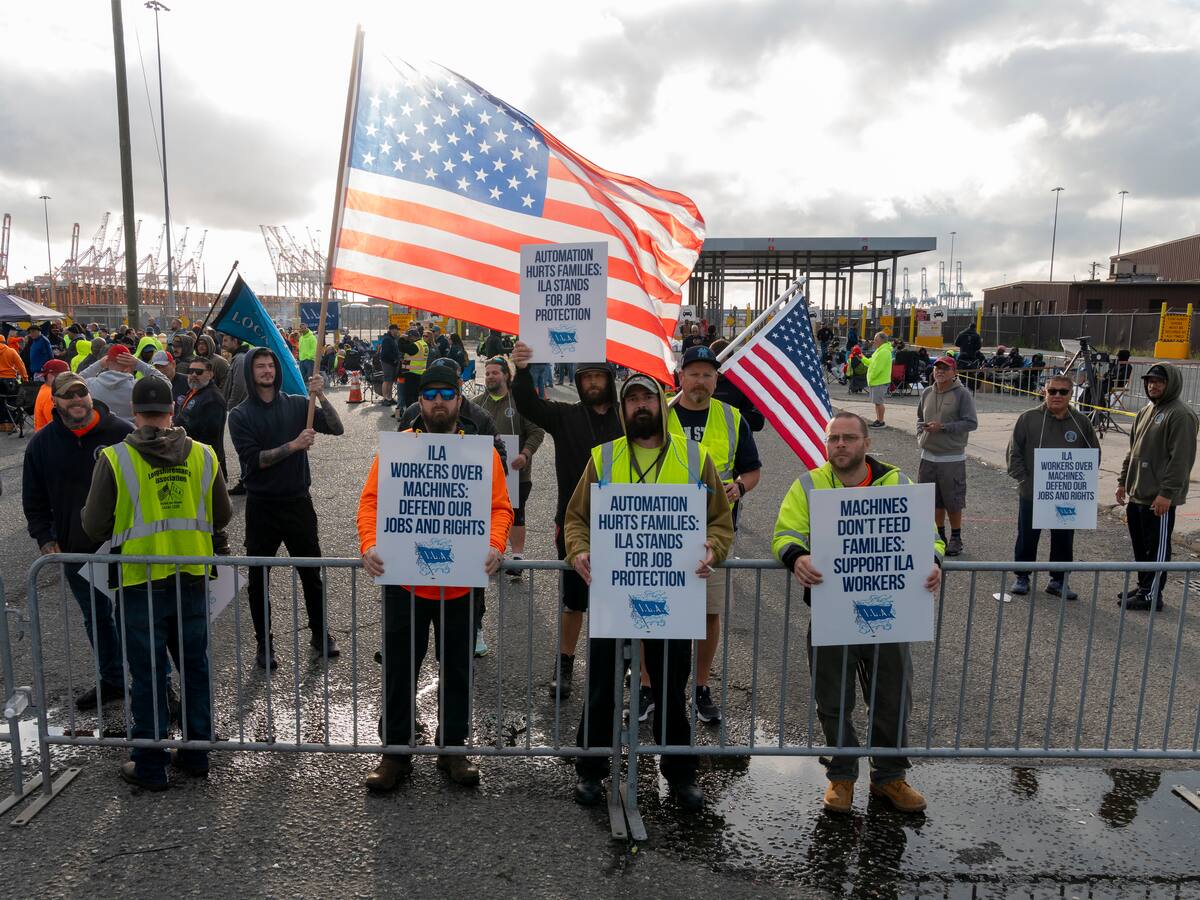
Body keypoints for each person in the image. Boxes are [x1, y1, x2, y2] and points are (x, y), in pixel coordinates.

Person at [565, 374, 733, 811]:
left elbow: (719, 520)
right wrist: (579, 550)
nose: (640, 405)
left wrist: (713, 548)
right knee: (601, 684)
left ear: (660, 403)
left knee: (671, 686)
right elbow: (576, 518)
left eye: (647, 398)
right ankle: (590, 769)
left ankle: (679, 773)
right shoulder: (603, 458)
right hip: (612, 591)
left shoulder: (696, 458)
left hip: (672, 594)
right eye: (631, 400)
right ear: (622, 410)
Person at [772, 411, 942, 815]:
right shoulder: (809, 484)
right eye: (834, 439)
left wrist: (934, 561)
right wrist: (796, 557)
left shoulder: (896, 482)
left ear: (867, 443)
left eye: (849, 438)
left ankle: (890, 778)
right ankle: (842, 777)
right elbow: (785, 533)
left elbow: (928, 535)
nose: (841, 446)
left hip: (891, 613)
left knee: (892, 699)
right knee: (834, 700)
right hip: (833, 612)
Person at [357, 367, 512, 790]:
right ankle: (395, 752)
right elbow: (371, 502)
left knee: (458, 667)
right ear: (420, 403)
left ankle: (453, 749)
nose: (439, 401)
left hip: (461, 583)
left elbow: (501, 508)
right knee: (399, 668)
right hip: (405, 582)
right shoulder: (397, 449)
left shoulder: (481, 453)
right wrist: (369, 544)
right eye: (431, 395)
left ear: (460, 401)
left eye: (447, 393)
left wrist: (497, 544)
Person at [81, 375, 228, 789]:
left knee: (146, 674)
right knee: (195, 668)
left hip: (139, 581)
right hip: (192, 576)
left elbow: (93, 526)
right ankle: (197, 755)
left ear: (134, 412)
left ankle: (149, 765)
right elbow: (223, 515)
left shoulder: (115, 458)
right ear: (172, 411)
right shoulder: (203, 455)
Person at [510, 340, 623, 698]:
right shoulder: (566, 416)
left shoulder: (629, 418)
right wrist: (523, 370)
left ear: (609, 379)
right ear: (578, 382)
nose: (592, 383)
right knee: (574, 601)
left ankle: (631, 669)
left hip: (625, 524)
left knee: (623, 599)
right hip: (575, 524)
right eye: (585, 377)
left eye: (597, 377)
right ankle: (565, 664)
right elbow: (528, 404)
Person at [22, 373, 135, 709]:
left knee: (140, 618)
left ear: (90, 395)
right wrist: (44, 537)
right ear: (54, 401)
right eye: (67, 395)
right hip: (76, 548)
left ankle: (157, 687)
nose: (76, 400)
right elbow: (34, 498)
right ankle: (112, 681)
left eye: (81, 393)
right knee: (97, 618)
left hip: (126, 546)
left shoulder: (122, 433)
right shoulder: (42, 444)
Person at [228, 348, 345, 668]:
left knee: (311, 574)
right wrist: (294, 445)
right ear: (250, 374)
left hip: (298, 503)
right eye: (260, 366)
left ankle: (320, 634)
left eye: (270, 366)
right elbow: (254, 460)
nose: (267, 371)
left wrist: (320, 397)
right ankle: (264, 644)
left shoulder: (297, 404)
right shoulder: (240, 415)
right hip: (261, 506)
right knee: (258, 579)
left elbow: (337, 428)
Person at [667, 344, 761, 724]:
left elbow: (752, 471)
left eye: (708, 375)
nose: (701, 381)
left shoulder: (731, 417)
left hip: (714, 532)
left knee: (708, 614)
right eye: (694, 374)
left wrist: (740, 486)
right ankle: (648, 686)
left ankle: (701, 686)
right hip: (666, 529)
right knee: (659, 612)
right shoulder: (662, 414)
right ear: (681, 377)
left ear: (716, 379)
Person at [1005, 374, 1100, 599]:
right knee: (1027, 536)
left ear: (1070, 394)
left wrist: (1081, 480)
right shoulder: (1028, 419)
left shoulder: (1081, 422)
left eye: (1063, 392)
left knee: (1063, 538)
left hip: (1065, 494)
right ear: (1044, 392)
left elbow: (1093, 454)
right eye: (1052, 391)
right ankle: (1022, 576)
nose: (1057, 396)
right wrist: (1026, 480)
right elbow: (1013, 453)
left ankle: (1058, 580)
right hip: (1032, 493)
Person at [1116, 364, 1199, 611]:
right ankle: (1144, 587)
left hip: (1158, 498)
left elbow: (1181, 459)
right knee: (1141, 547)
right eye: (1150, 381)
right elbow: (1133, 451)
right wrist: (1123, 482)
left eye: (1159, 381)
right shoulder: (1147, 410)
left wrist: (1166, 494)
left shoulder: (1180, 414)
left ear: (1171, 383)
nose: (1153, 385)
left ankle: (1152, 596)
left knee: (1157, 549)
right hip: (1138, 494)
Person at [476, 356, 546, 589]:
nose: (490, 377)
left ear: (507, 375)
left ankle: (516, 558)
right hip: (485, 474)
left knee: (516, 513)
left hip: (517, 473)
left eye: (495, 372)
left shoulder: (520, 403)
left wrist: (525, 454)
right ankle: (493, 554)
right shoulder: (476, 405)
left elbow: (537, 431)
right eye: (487, 373)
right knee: (486, 514)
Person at [916, 356, 978, 557]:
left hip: (951, 457)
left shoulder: (962, 394)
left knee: (953, 500)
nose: (940, 372)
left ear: (954, 372)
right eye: (937, 368)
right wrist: (921, 434)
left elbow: (971, 423)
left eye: (945, 368)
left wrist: (943, 427)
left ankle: (956, 537)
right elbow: (919, 417)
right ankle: (939, 535)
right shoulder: (927, 392)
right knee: (932, 501)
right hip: (928, 456)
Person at [80, 344, 166, 422]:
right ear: (129, 365)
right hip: (132, 436)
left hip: (101, 437)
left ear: (107, 363)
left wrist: (99, 364)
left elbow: (74, 380)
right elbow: (166, 384)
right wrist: (139, 364)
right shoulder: (138, 387)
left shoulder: (91, 384)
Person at [176, 357, 228, 479]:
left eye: (199, 372)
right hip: (191, 456)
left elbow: (210, 438)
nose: (193, 374)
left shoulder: (213, 399)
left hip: (204, 463)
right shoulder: (195, 390)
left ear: (210, 374)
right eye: (191, 371)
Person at [0, 336, 29, 433]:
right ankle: (11, 425)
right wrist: (25, 378)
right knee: (11, 402)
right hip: (9, 381)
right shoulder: (11, 351)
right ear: (4, 342)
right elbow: (21, 365)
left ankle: (2, 425)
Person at [33, 358, 70, 431]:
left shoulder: (45, 387)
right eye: (65, 376)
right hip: (50, 438)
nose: (69, 380)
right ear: (50, 376)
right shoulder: (50, 395)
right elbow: (56, 424)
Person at [865, 331, 893, 427]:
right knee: (877, 402)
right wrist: (861, 357)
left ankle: (881, 421)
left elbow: (878, 368)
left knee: (879, 402)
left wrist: (871, 377)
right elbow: (871, 362)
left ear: (882, 340)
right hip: (877, 381)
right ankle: (878, 420)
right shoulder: (880, 350)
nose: (874, 341)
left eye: (876, 339)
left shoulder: (884, 352)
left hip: (879, 381)